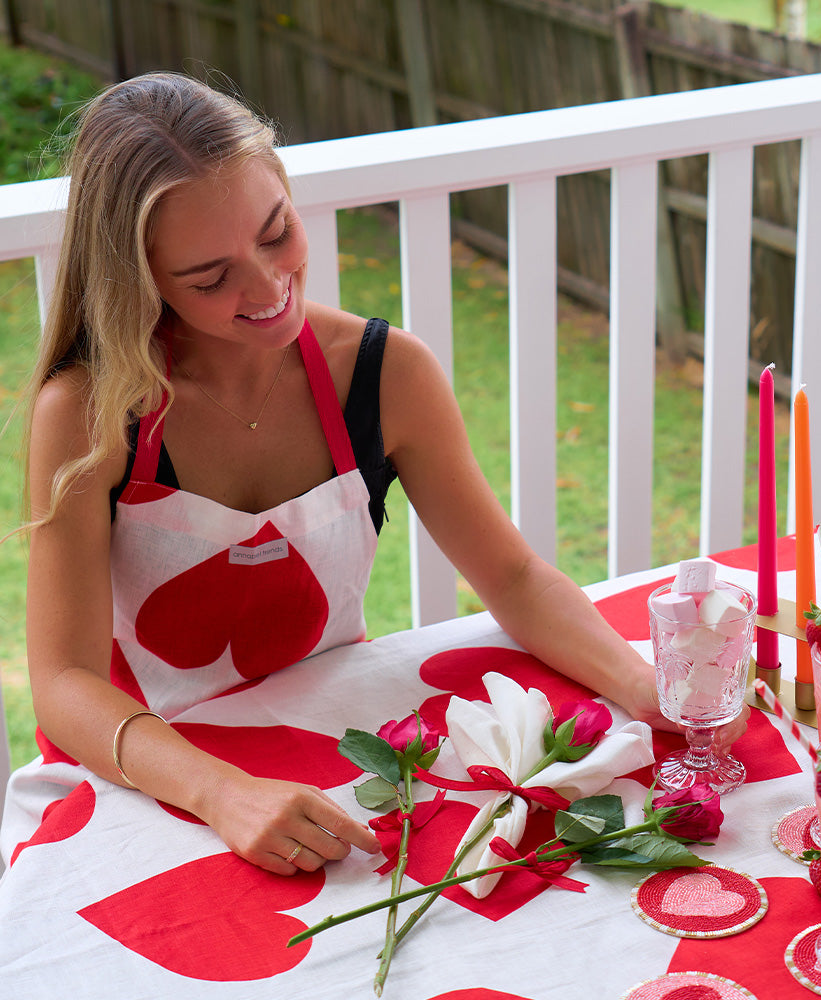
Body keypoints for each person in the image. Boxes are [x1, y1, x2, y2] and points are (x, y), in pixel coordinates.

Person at [17, 71, 748, 878]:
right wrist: (223, 794)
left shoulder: (385, 373)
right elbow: (65, 682)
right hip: (143, 771)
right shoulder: (89, 413)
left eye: (276, 231)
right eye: (211, 277)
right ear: (140, 278)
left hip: (322, 742)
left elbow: (511, 576)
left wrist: (647, 686)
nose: (266, 287)